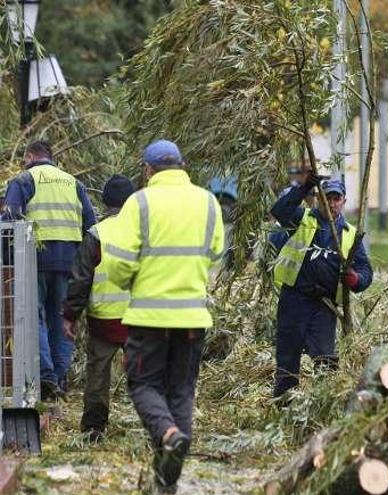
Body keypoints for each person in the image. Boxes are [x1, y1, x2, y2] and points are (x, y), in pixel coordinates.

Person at [101, 140, 224, 493]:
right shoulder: (208, 202)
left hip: (149, 317)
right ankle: (167, 477)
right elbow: (215, 252)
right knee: (181, 391)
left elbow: (119, 262)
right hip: (192, 319)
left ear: (148, 170)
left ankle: (169, 434)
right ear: (182, 165)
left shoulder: (139, 203)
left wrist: (133, 281)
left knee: (143, 385)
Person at [3, 140, 97, 399]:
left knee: (34, 319)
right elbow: (91, 225)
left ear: (30, 156)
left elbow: (9, 220)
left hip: (33, 260)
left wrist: (6, 260)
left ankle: (45, 376)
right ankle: (60, 377)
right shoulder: (74, 183)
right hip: (70, 263)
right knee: (61, 318)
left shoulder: (23, 180)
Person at [270, 174, 373, 398]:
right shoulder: (302, 218)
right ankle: (283, 407)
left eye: (336, 199)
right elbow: (279, 210)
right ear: (318, 199)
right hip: (294, 301)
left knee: (325, 362)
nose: (332, 203)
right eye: (327, 198)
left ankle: (322, 407)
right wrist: (304, 186)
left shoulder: (350, 234)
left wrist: (356, 279)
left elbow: (366, 271)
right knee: (287, 361)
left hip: (324, 307)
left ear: (344, 201)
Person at [61, 175, 135, 442]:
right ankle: (158, 423)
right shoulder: (145, 232)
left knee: (98, 374)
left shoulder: (96, 234)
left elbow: (81, 279)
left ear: (105, 202)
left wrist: (71, 315)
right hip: (140, 317)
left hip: (104, 318)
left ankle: (94, 427)